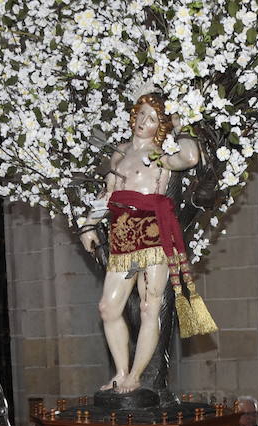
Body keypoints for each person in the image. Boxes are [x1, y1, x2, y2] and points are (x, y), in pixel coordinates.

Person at [78, 93, 215, 394]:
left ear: (161, 125)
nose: (143, 122)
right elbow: (108, 194)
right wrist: (88, 224)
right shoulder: (119, 153)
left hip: (154, 234)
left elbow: (191, 157)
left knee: (150, 306)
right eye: (141, 114)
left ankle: (136, 376)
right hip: (123, 234)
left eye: (152, 118)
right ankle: (121, 370)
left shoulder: (162, 155)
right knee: (108, 307)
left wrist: (181, 126)